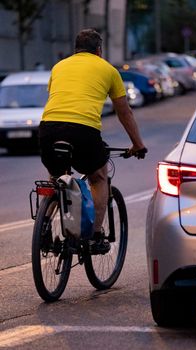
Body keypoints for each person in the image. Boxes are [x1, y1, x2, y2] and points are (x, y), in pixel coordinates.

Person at [39, 28, 147, 254]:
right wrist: (137, 144)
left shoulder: (59, 67)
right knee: (98, 177)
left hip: (48, 128)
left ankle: (43, 226)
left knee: (57, 177)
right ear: (99, 50)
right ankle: (95, 236)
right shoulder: (108, 70)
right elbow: (124, 112)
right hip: (82, 131)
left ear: (76, 49)